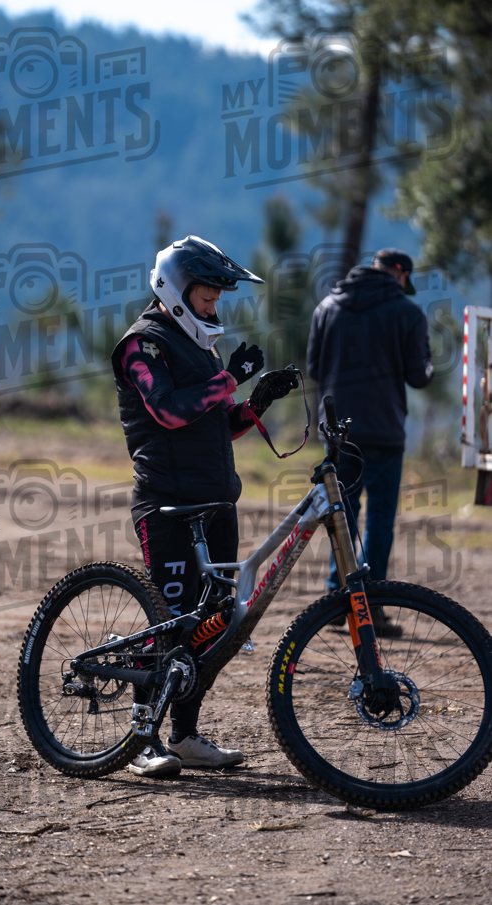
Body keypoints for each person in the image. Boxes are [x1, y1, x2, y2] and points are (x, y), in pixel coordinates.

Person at [111, 235, 295, 777]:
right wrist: (231, 378)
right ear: (175, 291)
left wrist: (257, 400)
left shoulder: (200, 347)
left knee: (213, 622)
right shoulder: (142, 345)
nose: (214, 308)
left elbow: (216, 422)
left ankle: (185, 734)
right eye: (207, 298)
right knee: (167, 624)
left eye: (217, 300)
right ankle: (141, 742)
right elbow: (168, 412)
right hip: (168, 507)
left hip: (216, 504)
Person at [306, 248, 433, 630]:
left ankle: (336, 596)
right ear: (401, 274)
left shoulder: (327, 306)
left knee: (342, 513)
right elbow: (419, 376)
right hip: (384, 431)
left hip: (338, 433)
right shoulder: (408, 313)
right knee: (379, 517)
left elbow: (313, 367)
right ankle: (371, 604)